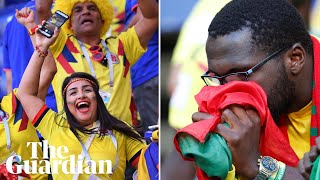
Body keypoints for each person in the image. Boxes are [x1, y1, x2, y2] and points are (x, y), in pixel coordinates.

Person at [187, 0, 320, 179]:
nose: (228, 92)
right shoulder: (240, 124)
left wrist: (254, 166)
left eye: (242, 74)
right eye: (219, 79)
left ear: (295, 59)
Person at [16, 7, 147, 179]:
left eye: (87, 90)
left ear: (97, 99)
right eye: (72, 92)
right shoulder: (54, 125)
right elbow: (26, 94)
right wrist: (40, 48)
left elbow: (150, 165)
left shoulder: (121, 133)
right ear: (65, 102)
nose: (80, 95)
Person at [35, 0, 158, 125]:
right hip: (77, 140)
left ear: (103, 19)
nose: (86, 12)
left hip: (122, 140)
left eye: (92, 8)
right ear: (69, 23)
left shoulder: (122, 46)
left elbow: (152, 17)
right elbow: (42, 8)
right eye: (78, 10)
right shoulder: (59, 45)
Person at [3, 0, 57, 111]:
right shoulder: (56, 15)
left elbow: (9, 78)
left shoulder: (12, 23)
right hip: (54, 102)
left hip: (21, 108)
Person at [125, 0, 159, 133]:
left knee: (153, 136)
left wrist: (114, 41)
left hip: (147, 70)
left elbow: (141, 17)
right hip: (148, 69)